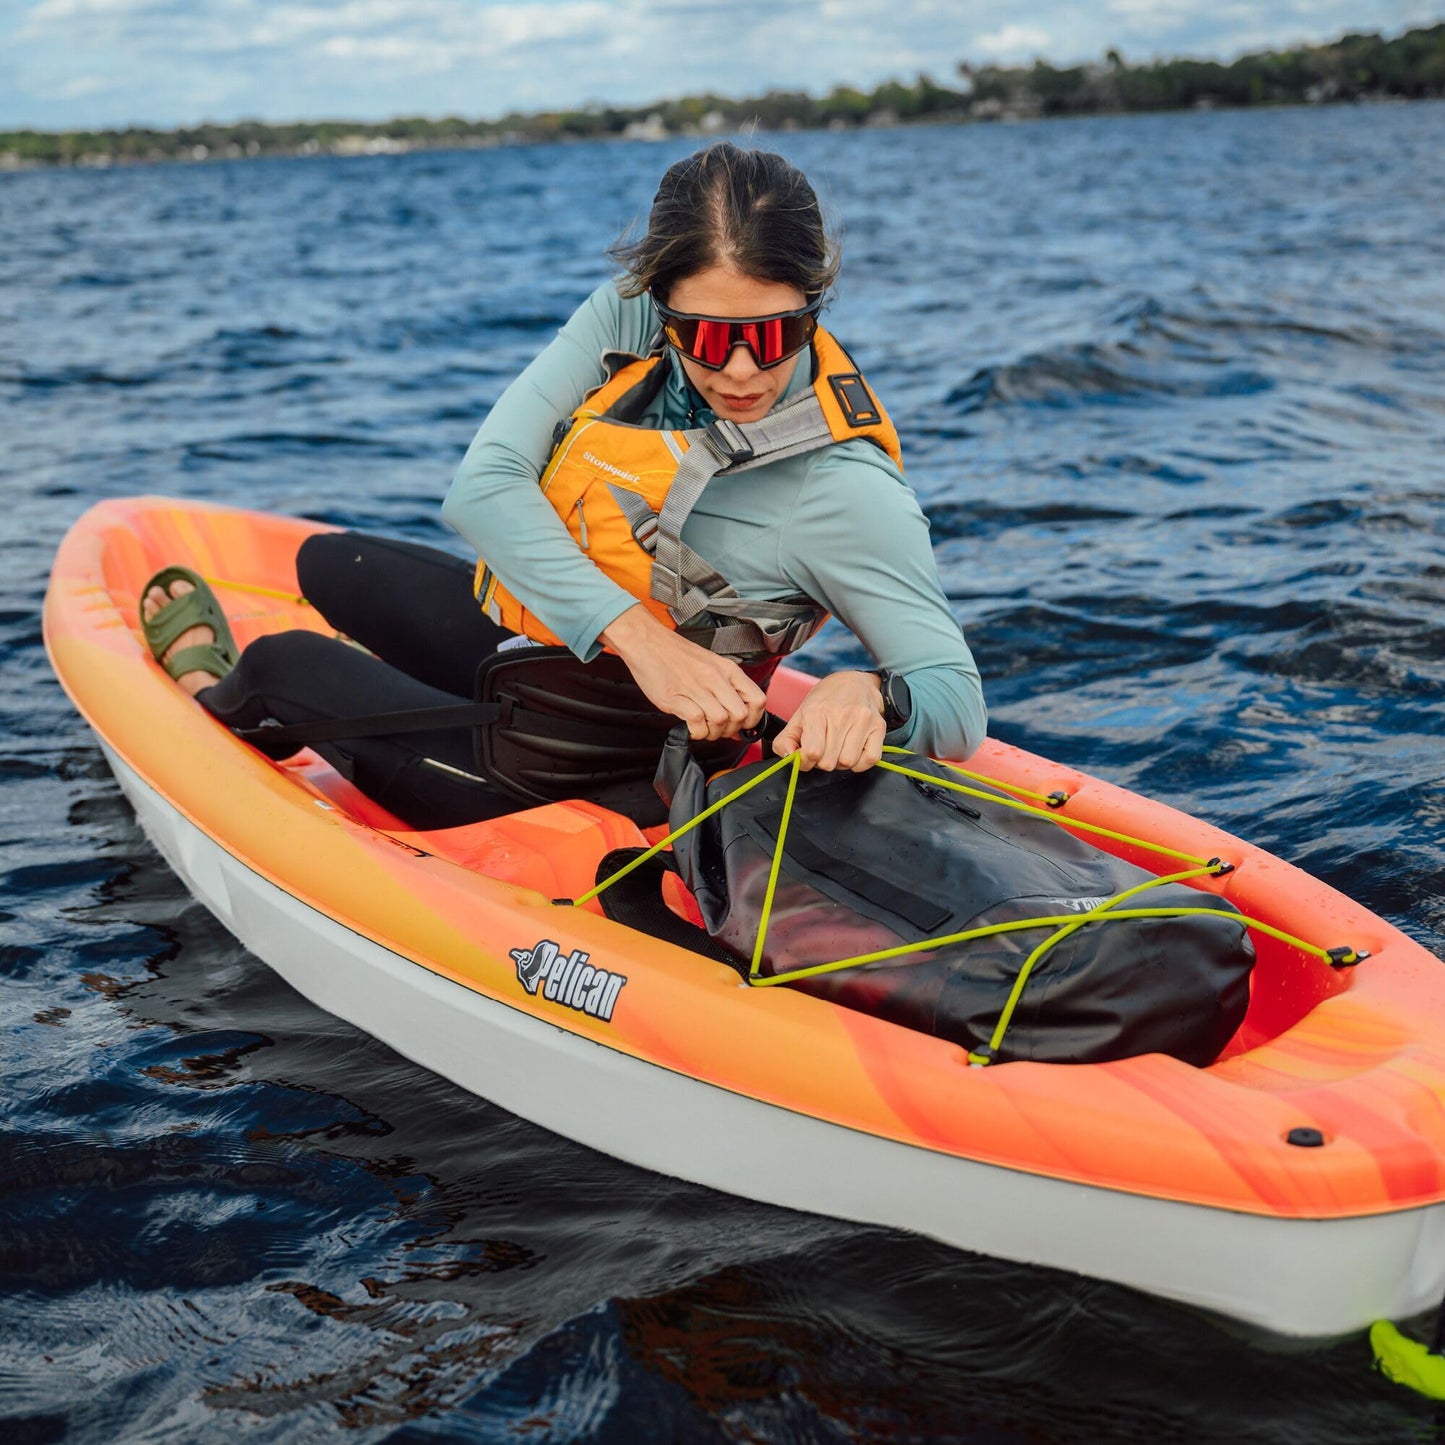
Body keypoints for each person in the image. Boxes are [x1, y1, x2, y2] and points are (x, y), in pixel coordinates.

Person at [142, 142, 986, 831]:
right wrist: (641, 640)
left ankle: (194, 692)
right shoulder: (626, 320)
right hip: (550, 662)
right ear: (660, 305)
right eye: (702, 334)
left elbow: (955, 701)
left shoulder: (845, 486)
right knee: (332, 562)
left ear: (814, 305)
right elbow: (482, 487)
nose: (738, 369)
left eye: (776, 335)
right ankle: (409, 695)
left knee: (278, 663)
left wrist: (865, 690)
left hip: (574, 767)